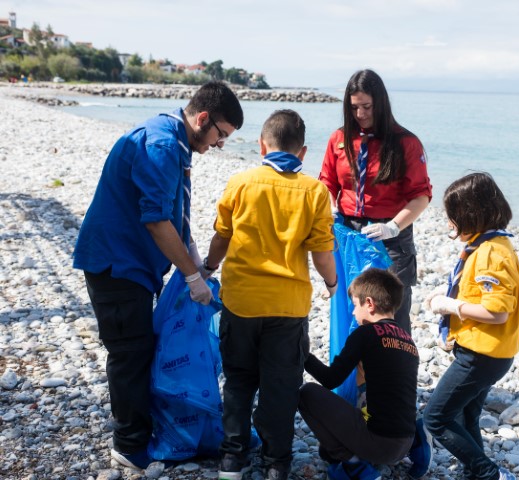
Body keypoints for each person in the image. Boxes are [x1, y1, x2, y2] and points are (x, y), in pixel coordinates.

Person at [73, 81, 244, 470]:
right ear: (203, 118)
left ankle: (148, 430)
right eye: (221, 134)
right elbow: (155, 219)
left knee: (141, 347)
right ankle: (129, 445)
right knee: (129, 353)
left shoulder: (174, 141)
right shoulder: (162, 146)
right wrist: (191, 277)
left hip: (134, 264)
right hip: (116, 263)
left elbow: (174, 213)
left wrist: (196, 258)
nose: (220, 144)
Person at [204, 109, 337, 480]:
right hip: (287, 307)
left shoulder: (241, 183)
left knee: (239, 379)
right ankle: (276, 462)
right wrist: (331, 285)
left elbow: (222, 236)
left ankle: (233, 458)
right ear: (304, 152)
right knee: (280, 387)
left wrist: (208, 269)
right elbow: (322, 252)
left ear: (262, 145)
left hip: (241, 302)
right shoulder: (314, 191)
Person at [423, 172, 519, 480]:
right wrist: (450, 293)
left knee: (436, 418)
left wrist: (451, 306)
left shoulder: (490, 253)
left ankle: (488, 472)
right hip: (492, 352)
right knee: (468, 413)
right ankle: (474, 472)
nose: (450, 225)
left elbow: (497, 313)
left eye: (453, 218)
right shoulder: (492, 244)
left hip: (482, 354)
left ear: (469, 214)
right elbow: (482, 293)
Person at [319, 68, 432, 334]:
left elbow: (421, 196)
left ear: (380, 103)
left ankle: (395, 373)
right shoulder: (339, 139)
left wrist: (393, 226)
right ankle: (352, 374)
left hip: (390, 238)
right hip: (347, 234)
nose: (360, 115)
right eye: (354, 108)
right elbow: (326, 183)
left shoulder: (406, 142)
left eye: (367, 107)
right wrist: (331, 208)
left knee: (390, 316)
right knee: (350, 311)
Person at [299, 268, 427, 480]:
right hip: (403, 441)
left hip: (379, 443)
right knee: (325, 451)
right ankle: (418, 441)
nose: (352, 313)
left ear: (369, 303)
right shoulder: (408, 341)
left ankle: (356, 466)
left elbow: (331, 380)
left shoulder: (365, 334)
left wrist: (304, 355)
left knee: (307, 394)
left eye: (355, 305)